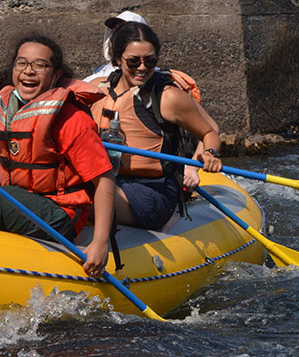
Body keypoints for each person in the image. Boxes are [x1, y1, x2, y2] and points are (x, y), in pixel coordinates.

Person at [0, 34, 116, 277]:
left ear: (56, 75)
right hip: (23, 199)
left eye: (40, 65)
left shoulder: (71, 118)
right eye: (22, 63)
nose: (28, 71)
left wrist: (100, 243)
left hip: (58, 213)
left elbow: (104, 178)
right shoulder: (0, 102)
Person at [88, 22, 223, 230]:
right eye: (133, 62)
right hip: (109, 179)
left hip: (151, 191)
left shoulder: (168, 97)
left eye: (150, 61)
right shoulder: (97, 88)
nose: (142, 68)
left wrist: (210, 153)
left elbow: (209, 132)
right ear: (117, 59)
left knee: (81, 199)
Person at [83, 11, 148, 83]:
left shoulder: (157, 80)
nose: (117, 37)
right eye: (115, 31)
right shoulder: (92, 81)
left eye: (125, 32)